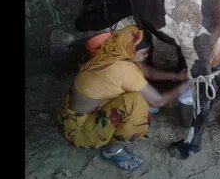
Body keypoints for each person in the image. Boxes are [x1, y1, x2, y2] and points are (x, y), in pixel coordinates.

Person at [57, 25, 188, 171]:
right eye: (144, 52)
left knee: (134, 93)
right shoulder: (124, 71)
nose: (146, 56)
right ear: (131, 49)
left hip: (73, 112)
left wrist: (176, 76)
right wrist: (183, 87)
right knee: (138, 104)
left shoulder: (113, 50)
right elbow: (158, 100)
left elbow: (147, 71)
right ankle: (113, 151)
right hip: (79, 131)